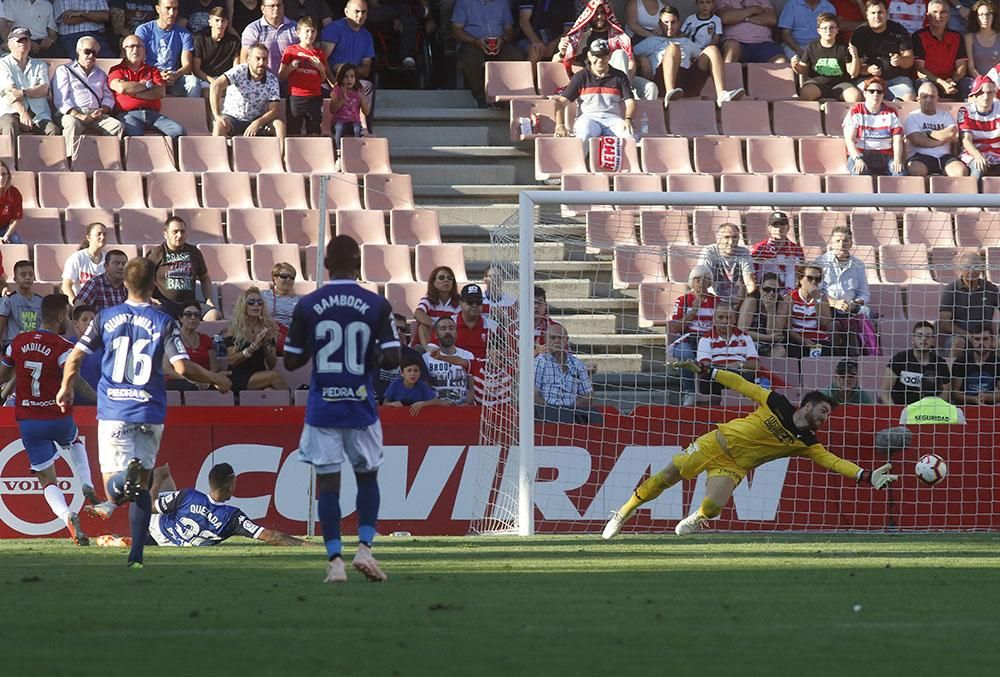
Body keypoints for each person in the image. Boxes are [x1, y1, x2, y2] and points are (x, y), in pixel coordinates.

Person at [57, 257, 232, 568]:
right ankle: (137, 554)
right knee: (142, 488)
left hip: (114, 409)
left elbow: (75, 358)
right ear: (154, 284)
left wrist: (66, 388)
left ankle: (125, 480)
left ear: (125, 282)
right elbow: (181, 366)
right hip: (149, 411)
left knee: (115, 486)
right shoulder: (164, 321)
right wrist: (216, 377)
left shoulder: (105, 317)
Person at [602, 364, 896, 540]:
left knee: (714, 507)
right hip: (713, 443)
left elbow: (832, 462)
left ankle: (696, 519)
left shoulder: (807, 441)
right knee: (666, 477)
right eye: (822, 411)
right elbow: (743, 385)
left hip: (733, 466)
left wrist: (865, 475)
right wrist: (711, 372)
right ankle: (623, 513)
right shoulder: (776, 402)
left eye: (827, 415)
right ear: (806, 405)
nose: (824, 418)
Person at [284, 234, 400, 583]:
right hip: (360, 405)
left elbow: (290, 362)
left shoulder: (308, 304)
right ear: (359, 264)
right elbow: (394, 358)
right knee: (368, 478)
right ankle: (364, 549)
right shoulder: (376, 304)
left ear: (325, 266)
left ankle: (334, 560)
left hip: (323, 408)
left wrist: (315, 347)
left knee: (328, 486)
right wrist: (370, 354)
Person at [0, 293, 101, 546]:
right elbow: (74, 378)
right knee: (74, 441)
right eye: (67, 314)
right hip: (58, 416)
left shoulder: (19, 342)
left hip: (29, 421)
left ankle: (67, 515)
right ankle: (87, 484)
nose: (68, 318)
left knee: (47, 480)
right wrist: (99, 399)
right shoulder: (63, 347)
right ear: (59, 316)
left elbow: (3, 373)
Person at [92, 463, 306, 546]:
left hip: (157, 530)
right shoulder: (233, 517)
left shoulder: (188, 496)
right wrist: (307, 545)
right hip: (173, 544)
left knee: (161, 473)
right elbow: (272, 537)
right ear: (231, 486)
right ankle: (127, 540)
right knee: (162, 475)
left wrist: (155, 484)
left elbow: (149, 507)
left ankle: (128, 534)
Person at [635, 6, 745, 107]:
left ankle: (722, 95)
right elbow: (629, 54)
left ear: (679, 23)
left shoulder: (686, 41)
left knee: (712, 50)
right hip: (662, 82)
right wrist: (641, 59)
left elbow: (703, 57)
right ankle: (670, 93)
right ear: (659, 24)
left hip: (687, 83)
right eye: (665, 23)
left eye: (673, 22)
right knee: (673, 47)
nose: (669, 26)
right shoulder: (652, 41)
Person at [559, 0, 656, 101]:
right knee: (619, 54)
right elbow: (559, 60)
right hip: (595, 80)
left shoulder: (620, 37)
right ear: (589, 15)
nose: (600, 17)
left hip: (624, 79)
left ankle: (639, 113)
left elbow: (631, 63)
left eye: (602, 13)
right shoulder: (583, 38)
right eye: (596, 13)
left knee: (651, 88)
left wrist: (626, 83)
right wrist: (562, 52)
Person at [51, 35, 124, 160]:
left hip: (96, 114)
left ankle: (110, 160)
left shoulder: (100, 74)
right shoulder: (64, 70)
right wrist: (79, 115)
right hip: (73, 113)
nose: (91, 56)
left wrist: (102, 110)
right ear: (78, 51)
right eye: (87, 52)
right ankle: (69, 160)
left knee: (116, 125)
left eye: (94, 53)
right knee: (71, 123)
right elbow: (61, 100)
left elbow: (108, 98)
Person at [552, 39, 635, 144]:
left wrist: (628, 118)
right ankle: (580, 160)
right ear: (589, 56)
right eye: (597, 56)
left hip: (613, 118)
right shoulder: (581, 76)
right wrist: (560, 125)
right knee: (583, 134)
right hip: (588, 118)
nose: (600, 60)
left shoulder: (620, 76)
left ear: (609, 57)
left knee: (629, 136)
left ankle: (629, 161)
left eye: (604, 56)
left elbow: (630, 102)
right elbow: (560, 102)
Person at [108, 34, 186, 137]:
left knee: (178, 132)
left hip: (153, 115)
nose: (135, 50)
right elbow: (121, 88)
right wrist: (147, 85)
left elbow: (159, 92)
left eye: (139, 46)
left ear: (144, 51)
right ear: (124, 50)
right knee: (134, 135)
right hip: (128, 114)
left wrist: (132, 92)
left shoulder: (153, 70)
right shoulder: (116, 70)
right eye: (131, 46)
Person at [210, 41, 286, 145]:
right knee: (219, 124)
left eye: (264, 59)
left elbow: (274, 110)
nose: (261, 62)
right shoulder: (238, 71)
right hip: (233, 118)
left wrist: (258, 122)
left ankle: (282, 159)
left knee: (279, 125)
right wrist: (217, 114)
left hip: (257, 119)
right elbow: (216, 85)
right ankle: (217, 158)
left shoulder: (272, 79)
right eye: (257, 58)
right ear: (249, 59)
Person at [145, 216, 221, 320]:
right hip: (165, 305)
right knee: (156, 316)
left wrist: (208, 299)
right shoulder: (156, 253)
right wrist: (148, 297)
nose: (179, 235)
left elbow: (205, 278)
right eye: (175, 232)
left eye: (182, 231)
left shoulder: (194, 252)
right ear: (165, 234)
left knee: (214, 315)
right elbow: (143, 278)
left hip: (190, 305)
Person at [451, 0, 519, 107]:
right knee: (471, 58)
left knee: (515, 56)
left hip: (500, 43)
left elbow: (509, 29)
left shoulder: (503, 3)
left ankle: (507, 97)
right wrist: (475, 41)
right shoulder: (464, 2)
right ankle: (480, 96)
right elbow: (456, 30)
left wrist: (503, 40)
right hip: (472, 42)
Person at [222, 286, 287, 393]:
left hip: (260, 374)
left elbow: (272, 363)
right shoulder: (234, 329)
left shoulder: (266, 327)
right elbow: (233, 361)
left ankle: (290, 405)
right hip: (239, 375)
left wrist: (267, 344)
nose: (256, 305)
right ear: (244, 306)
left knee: (270, 391)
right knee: (273, 376)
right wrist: (254, 346)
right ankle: (293, 404)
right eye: (251, 302)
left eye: (259, 302)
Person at [668, 265, 718, 405]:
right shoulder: (683, 300)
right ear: (691, 281)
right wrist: (693, 311)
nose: (701, 282)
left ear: (710, 282)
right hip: (687, 339)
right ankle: (689, 392)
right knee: (686, 354)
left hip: (709, 340)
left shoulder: (717, 302)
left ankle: (711, 392)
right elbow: (676, 327)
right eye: (697, 279)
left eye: (705, 279)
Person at [533, 322, 602, 424]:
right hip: (545, 417)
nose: (557, 340)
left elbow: (588, 395)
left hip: (573, 415)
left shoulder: (577, 364)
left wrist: (568, 410)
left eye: (560, 338)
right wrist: (550, 411)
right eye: (553, 338)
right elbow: (533, 394)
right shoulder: (539, 362)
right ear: (546, 340)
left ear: (566, 341)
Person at [0, 27, 59, 140]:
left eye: (26, 40)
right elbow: (11, 92)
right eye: (19, 40)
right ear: (10, 44)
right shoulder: (2, 64)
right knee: (10, 125)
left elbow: (44, 89)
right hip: (11, 112)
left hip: (39, 115)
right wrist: (23, 113)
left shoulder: (40, 64)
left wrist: (23, 92)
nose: (23, 43)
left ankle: (52, 159)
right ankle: (8, 158)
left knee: (53, 130)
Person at [849, 0, 916, 101]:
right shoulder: (859, 34)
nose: (877, 16)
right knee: (862, 97)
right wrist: (868, 70)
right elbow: (853, 71)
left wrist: (900, 60)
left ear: (887, 13)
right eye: (873, 13)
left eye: (880, 12)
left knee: (909, 98)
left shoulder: (898, 30)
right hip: (868, 80)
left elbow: (909, 60)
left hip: (896, 80)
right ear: (867, 14)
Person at [939, 250, 1000, 356]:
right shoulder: (951, 289)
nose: (972, 271)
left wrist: (997, 336)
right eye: (967, 267)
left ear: (981, 269)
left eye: (976, 267)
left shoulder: (990, 288)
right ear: (959, 270)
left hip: (985, 336)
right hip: (961, 336)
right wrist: (967, 335)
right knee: (958, 343)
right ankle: (955, 372)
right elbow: (944, 323)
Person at [322, 0, 377, 117]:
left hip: (352, 82)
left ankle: (365, 129)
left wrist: (345, 69)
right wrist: (334, 83)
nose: (360, 15)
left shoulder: (367, 36)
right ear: (346, 12)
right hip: (328, 80)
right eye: (357, 12)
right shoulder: (334, 29)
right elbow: (322, 60)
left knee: (367, 86)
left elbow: (366, 70)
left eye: (364, 12)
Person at [790, 13, 862, 102]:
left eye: (831, 27)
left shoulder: (844, 47)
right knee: (805, 94)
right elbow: (802, 69)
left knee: (855, 97)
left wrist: (855, 57)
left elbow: (853, 73)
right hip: (817, 84)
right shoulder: (812, 46)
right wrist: (795, 65)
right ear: (818, 30)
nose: (828, 31)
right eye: (825, 28)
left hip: (840, 84)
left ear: (837, 30)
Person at [843, 76, 905, 176]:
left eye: (879, 92)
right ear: (865, 93)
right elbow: (849, 140)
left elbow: (897, 140)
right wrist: (857, 158)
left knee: (900, 175)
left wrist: (897, 160)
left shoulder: (891, 113)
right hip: (861, 155)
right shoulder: (856, 111)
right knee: (858, 173)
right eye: (871, 91)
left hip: (886, 156)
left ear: (883, 94)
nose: (875, 94)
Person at [136, 0, 200, 97]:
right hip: (149, 77)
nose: (172, 13)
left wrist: (176, 75)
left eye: (175, 9)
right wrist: (156, 75)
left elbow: (187, 65)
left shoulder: (184, 33)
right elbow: (137, 61)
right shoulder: (144, 30)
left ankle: (192, 112)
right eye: (168, 8)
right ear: (158, 9)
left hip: (173, 79)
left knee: (193, 82)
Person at [905, 81, 969, 177]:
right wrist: (939, 141)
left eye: (932, 96)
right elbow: (916, 140)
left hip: (945, 156)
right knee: (915, 171)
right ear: (918, 99)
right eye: (925, 97)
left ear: (937, 98)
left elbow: (951, 133)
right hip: (920, 156)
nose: (929, 100)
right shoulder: (913, 117)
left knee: (960, 172)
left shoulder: (945, 115)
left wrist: (927, 134)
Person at [696, 301, 759, 398]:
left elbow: (755, 364)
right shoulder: (706, 339)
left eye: (729, 317)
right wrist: (730, 367)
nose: (725, 321)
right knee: (708, 376)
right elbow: (705, 366)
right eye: (721, 317)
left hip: (740, 377)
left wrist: (738, 364)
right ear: (714, 319)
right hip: (717, 378)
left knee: (749, 377)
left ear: (734, 319)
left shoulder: (745, 337)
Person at [278, 15, 327, 136]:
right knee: (294, 131)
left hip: (315, 97)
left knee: (314, 131)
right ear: (298, 33)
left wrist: (321, 68)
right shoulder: (290, 51)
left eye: (313, 31)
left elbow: (323, 79)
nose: (310, 34)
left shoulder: (319, 53)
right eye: (307, 31)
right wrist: (291, 67)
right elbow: (281, 76)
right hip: (296, 96)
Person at [880, 320, 951, 404]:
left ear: (933, 341)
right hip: (902, 410)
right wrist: (894, 410)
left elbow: (945, 394)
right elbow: (885, 390)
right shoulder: (900, 359)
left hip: (928, 413)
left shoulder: (940, 364)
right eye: (919, 336)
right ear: (913, 339)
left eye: (928, 336)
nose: (924, 339)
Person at [913, 0, 968, 101]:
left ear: (949, 15)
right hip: (929, 80)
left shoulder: (957, 37)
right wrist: (942, 83)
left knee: (970, 84)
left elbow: (962, 66)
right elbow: (920, 70)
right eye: (935, 12)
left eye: (943, 12)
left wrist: (952, 80)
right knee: (926, 87)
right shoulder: (919, 36)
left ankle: (970, 116)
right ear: (928, 15)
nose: (939, 16)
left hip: (951, 81)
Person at [817, 225, 872, 323]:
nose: (842, 244)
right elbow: (815, 292)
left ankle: (866, 339)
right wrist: (834, 303)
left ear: (851, 243)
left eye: (846, 241)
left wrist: (854, 303)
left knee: (866, 311)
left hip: (850, 308)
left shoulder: (859, 264)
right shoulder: (820, 262)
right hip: (827, 307)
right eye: (838, 241)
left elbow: (864, 294)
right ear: (831, 243)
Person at [779, 262, 832, 358]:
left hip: (818, 339)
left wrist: (816, 299)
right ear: (800, 279)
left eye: (817, 279)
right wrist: (803, 341)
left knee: (825, 351)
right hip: (796, 339)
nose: (814, 282)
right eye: (810, 278)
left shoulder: (822, 298)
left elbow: (825, 323)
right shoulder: (790, 297)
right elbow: (787, 327)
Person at [696, 222, 756, 308]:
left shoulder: (743, 252)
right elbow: (702, 279)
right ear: (718, 238)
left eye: (734, 237)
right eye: (727, 237)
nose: (731, 242)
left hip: (738, 302)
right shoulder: (709, 251)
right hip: (714, 301)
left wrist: (750, 302)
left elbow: (750, 282)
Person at [166, 300, 220, 391]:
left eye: (197, 315)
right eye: (188, 314)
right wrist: (192, 380)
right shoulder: (172, 339)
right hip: (180, 380)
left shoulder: (205, 339)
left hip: (204, 381)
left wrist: (206, 380)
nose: (193, 318)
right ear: (180, 318)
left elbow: (214, 368)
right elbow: (169, 370)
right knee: (189, 387)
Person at [374, 312, 428, 402]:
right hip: (377, 405)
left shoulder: (414, 355)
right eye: (395, 328)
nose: (399, 332)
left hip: (405, 407)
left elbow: (424, 384)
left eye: (403, 329)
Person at [715, 0, 786, 64]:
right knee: (732, 48)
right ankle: (728, 78)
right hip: (735, 42)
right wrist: (753, 9)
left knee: (781, 62)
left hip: (763, 43)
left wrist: (742, 18)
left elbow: (772, 19)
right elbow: (725, 18)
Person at [423, 315, 473, 404]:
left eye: (451, 328)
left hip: (462, 409)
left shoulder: (467, 356)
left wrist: (467, 403)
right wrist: (438, 403)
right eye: (443, 328)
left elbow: (473, 387)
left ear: (456, 333)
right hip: (436, 408)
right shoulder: (426, 358)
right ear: (436, 334)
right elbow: (424, 389)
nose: (448, 331)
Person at [240, 0, 298, 76]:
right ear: (263, 9)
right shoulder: (253, 29)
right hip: (263, 82)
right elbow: (245, 58)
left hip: (291, 82)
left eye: (279, 5)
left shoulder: (295, 27)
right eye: (272, 6)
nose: (276, 8)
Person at [749, 211, 804, 290]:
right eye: (775, 225)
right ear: (769, 228)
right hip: (765, 293)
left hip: (790, 294)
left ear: (788, 227)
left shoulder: (796, 249)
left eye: (782, 225)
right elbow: (751, 273)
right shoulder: (759, 249)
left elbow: (801, 273)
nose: (779, 229)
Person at [959, 74, 1000, 178]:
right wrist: (978, 155)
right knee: (979, 167)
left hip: (997, 153)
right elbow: (966, 140)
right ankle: (974, 194)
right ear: (974, 94)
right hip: (974, 153)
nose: (986, 97)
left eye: (989, 92)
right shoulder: (965, 111)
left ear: (994, 93)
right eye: (981, 93)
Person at [738, 271, 786, 358]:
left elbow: (775, 335)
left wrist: (770, 311)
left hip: (769, 344)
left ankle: (770, 372)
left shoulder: (781, 304)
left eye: (775, 290)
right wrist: (767, 338)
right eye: (767, 289)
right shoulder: (751, 301)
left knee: (780, 352)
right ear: (760, 289)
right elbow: (742, 331)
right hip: (748, 341)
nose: (771, 293)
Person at [950, 323, 1000, 405]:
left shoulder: (998, 362)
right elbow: (954, 393)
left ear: (992, 341)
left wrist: (988, 397)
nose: (981, 343)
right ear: (972, 341)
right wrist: (973, 399)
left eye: (985, 339)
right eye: (977, 339)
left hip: (989, 409)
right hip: (964, 408)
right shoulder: (960, 362)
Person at [192, 7, 241, 89]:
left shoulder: (234, 41)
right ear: (210, 22)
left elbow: (235, 68)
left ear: (227, 23)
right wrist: (213, 81)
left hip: (226, 80)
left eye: (223, 21)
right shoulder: (200, 39)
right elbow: (196, 69)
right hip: (205, 79)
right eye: (217, 20)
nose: (220, 24)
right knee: (208, 93)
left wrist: (223, 81)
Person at [414, 264, 460, 348]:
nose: (446, 280)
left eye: (449, 278)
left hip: (450, 337)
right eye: (441, 278)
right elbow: (418, 313)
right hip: (432, 336)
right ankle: (428, 352)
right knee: (422, 326)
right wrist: (437, 327)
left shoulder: (459, 302)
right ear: (433, 283)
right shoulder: (428, 300)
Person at [518, 0, 576, 66]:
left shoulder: (567, 2)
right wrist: (537, 42)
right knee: (535, 51)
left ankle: (549, 76)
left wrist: (553, 44)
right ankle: (529, 76)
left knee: (562, 55)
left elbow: (568, 30)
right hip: (530, 39)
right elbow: (524, 21)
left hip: (556, 41)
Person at [0, 260, 42, 349]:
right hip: (13, 344)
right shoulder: (8, 300)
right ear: (15, 279)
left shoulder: (41, 301)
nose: (27, 277)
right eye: (23, 275)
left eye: (31, 274)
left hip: (35, 345)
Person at [61, 221, 106, 302]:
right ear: (89, 237)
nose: (102, 237)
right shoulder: (77, 258)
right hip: (82, 305)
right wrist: (76, 305)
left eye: (104, 234)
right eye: (98, 234)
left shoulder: (108, 259)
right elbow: (66, 286)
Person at [258, 261, 299, 351]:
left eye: (292, 277)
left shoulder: (299, 301)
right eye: (284, 276)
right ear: (275, 278)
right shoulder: (263, 295)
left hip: (288, 337)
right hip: (264, 335)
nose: (288, 279)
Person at [329, 62, 369, 151]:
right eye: (346, 77)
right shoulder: (337, 89)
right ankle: (339, 153)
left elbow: (366, 112)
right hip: (338, 121)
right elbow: (332, 110)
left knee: (357, 128)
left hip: (353, 121)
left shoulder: (359, 90)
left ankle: (356, 152)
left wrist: (362, 98)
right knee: (339, 127)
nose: (349, 79)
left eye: (352, 76)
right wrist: (343, 99)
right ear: (341, 78)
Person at [964, 1, 1000, 94]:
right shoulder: (969, 37)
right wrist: (983, 82)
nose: (984, 18)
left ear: (993, 16)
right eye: (981, 15)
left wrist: (994, 83)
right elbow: (971, 66)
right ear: (976, 18)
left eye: (988, 14)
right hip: (977, 82)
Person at [75, 248, 128, 312]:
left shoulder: (131, 285)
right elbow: (78, 308)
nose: (121, 267)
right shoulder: (94, 284)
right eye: (116, 263)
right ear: (106, 266)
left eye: (124, 264)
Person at [453, 282, 487, 360]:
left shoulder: (493, 327)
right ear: (460, 302)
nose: (474, 305)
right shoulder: (449, 324)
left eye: (478, 302)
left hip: (483, 369)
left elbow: (501, 352)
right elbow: (433, 348)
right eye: (470, 302)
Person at [0, 160, 25, 245]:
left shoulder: (14, 193)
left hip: (4, 229)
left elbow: (15, 220)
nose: (1, 178)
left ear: (8, 175)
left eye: (4, 174)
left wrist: (7, 235)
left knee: (16, 242)